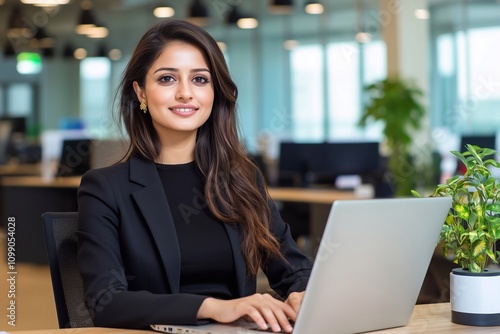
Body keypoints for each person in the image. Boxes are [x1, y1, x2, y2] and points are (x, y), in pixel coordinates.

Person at [77, 19, 312, 333]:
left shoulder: (242, 178)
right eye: (167, 79)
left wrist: (302, 292)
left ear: (215, 92)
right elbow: (106, 302)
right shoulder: (105, 188)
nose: (186, 93)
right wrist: (217, 308)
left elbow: (293, 268)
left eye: (200, 79)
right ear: (140, 92)